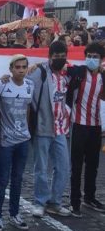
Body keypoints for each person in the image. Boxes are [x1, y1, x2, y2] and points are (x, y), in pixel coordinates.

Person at [27, 41, 72, 218]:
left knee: (63, 167)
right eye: (56, 56)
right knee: (41, 167)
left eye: (63, 56)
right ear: (49, 56)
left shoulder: (67, 73)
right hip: (42, 128)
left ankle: (55, 202)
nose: (60, 59)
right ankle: (40, 201)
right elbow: (23, 82)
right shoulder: (39, 73)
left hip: (61, 129)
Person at [0, 55, 33, 231]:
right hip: (6, 141)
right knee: (3, 179)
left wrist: (28, 131)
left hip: (23, 140)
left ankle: (14, 214)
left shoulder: (31, 86)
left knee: (18, 179)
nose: (21, 70)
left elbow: (28, 110)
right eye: (17, 67)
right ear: (11, 69)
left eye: (24, 66)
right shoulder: (2, 85)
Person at [66, 42, 105, 215]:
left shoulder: (103, 77)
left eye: (95, 57)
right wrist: (35, 65)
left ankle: (89, 197)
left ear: (101, 60)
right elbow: (58, 67)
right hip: (78, 124)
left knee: (93, 164)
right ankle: (75, 201)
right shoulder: (79, 72)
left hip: (95, 126)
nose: (91, 59)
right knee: (76, 165)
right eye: (88, 56)